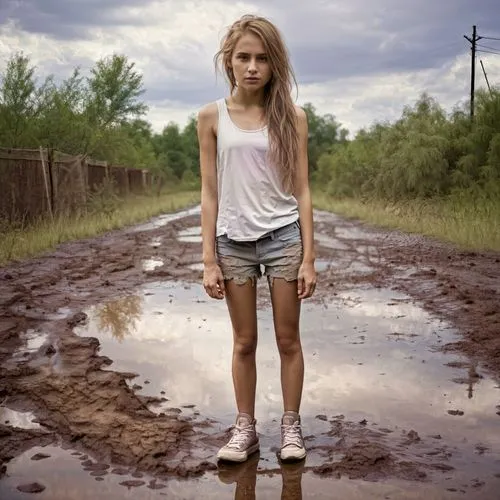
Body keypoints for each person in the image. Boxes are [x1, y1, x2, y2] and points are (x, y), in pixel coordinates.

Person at [197, 14, 316, 464]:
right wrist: (209, 258)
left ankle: (291, 427)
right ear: (228, 61)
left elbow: (303, 189)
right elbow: (209, 192)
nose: (252, 67)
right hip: (233, 243)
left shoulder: (293, 117)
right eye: (243, 57)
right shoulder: (211, 116)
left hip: (284, 237)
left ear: (274, 64)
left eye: (262, 59)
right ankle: (244, 429)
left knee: (288, 340)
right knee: (244, 342)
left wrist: (309, 256)